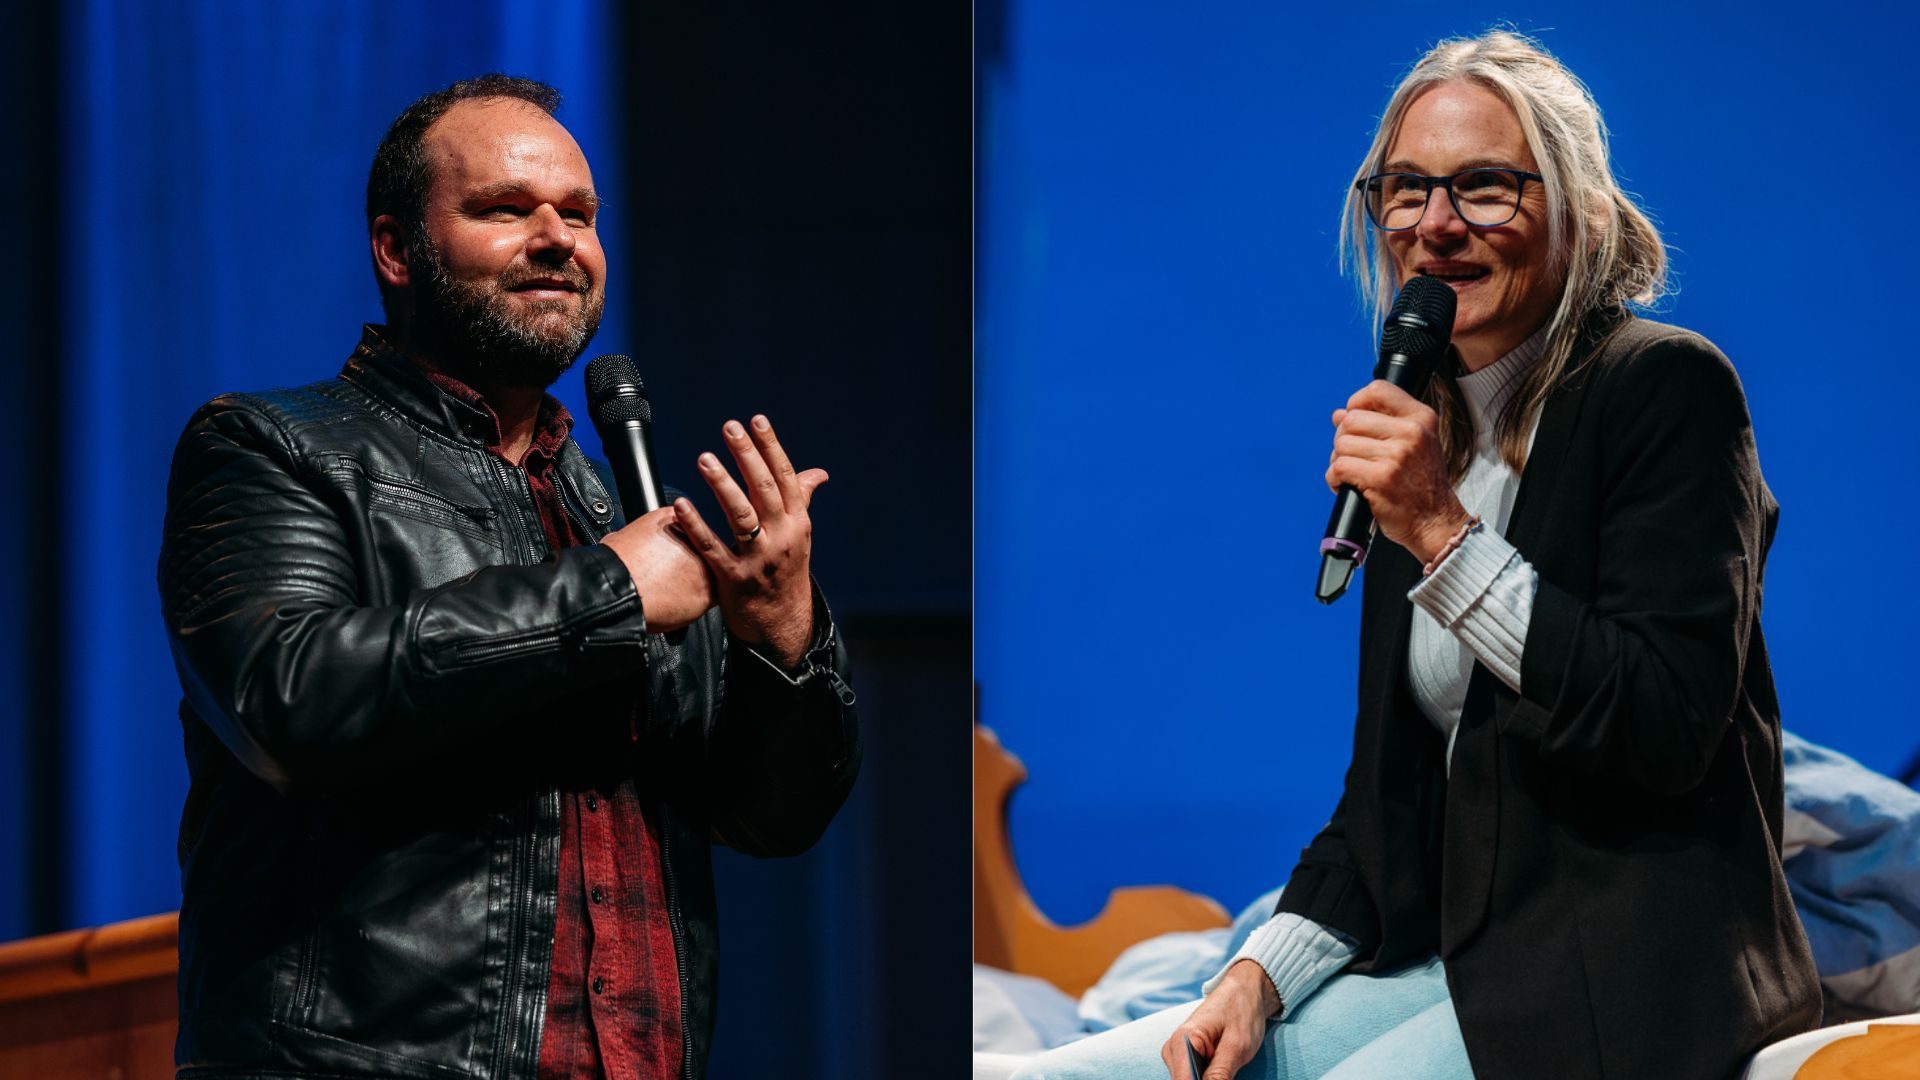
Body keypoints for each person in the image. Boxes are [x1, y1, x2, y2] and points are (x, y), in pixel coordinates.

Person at [1015, 30, 1819, 1080]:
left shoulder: (1663, 387)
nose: (1435, 227)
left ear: (1572, 206)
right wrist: (1257, 973)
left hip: (1622, 980)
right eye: (1405, 190)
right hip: (1464, 968)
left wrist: (1442, 530)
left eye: (1484, 186)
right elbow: (1384, 806)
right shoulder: (1425, 428)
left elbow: (1663, 725)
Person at [158, 74, 860, 1080]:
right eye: (503, 209)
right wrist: (607, 594)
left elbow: (773, 817)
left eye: (578, 214)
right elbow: (284, 698)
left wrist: (782, 639)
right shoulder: (272, 445)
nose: (555, 237)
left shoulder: (612, 504)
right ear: (396, 249)